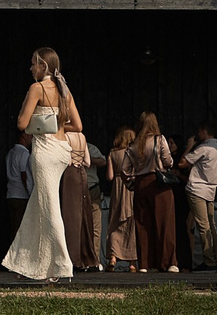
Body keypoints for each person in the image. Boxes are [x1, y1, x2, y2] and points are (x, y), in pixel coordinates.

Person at [0, 46, 80, 282]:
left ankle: (62, 265)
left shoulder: (37, 87)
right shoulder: (64, 90)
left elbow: (22, 123)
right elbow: (77, 126)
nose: (30, 67)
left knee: (50, 207)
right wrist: (55, 122)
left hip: (44, 151)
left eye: (33, 63)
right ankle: (28, 264)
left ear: (43, 66)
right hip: (62, 150)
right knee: (38, 206)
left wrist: (40, 124)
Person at [131, 111, 178, 273]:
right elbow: (168, 161)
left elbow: (124, 169)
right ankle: (168, 262)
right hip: (159, 183)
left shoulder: (134, 144)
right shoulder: (159, 140)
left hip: (140, 183)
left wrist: (131, 180)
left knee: (143, 224)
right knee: (165, 224)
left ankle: (144, 264)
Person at [179, 123, 217, 271]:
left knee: (203, 225)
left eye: (199, 131)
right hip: (210, 191)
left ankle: (209, 260)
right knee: (211, 225)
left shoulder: (203, 148)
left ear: (205, 131)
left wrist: (189, 146)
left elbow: (182, 163)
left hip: (197, 189)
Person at [61, 119, 98, 274]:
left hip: (70, 175)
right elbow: (88, 162)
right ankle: (88, 258)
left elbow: (66, 160)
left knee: (71, 216)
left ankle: (73, 258)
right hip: (82, 174)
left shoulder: (65, 136)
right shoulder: (82, 137)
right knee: (84, 216)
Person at [104, 128, 140, 270]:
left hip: (117, 189)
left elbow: (109, 177)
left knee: (114, 223)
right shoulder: (134, 154)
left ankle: (113, 258)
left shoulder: (112, 153)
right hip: (131, 188)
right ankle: (132, 262)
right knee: (131, 224)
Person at [3, 132, 33, 258]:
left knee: (13, 226)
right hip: (21, 195)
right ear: (24, 137)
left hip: (10, 193)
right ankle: (18, 257)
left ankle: (12, 256)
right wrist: (30, 192)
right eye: (30, 136)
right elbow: (24, 175)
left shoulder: (10, 153)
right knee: (21, 228)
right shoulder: (24, 153)